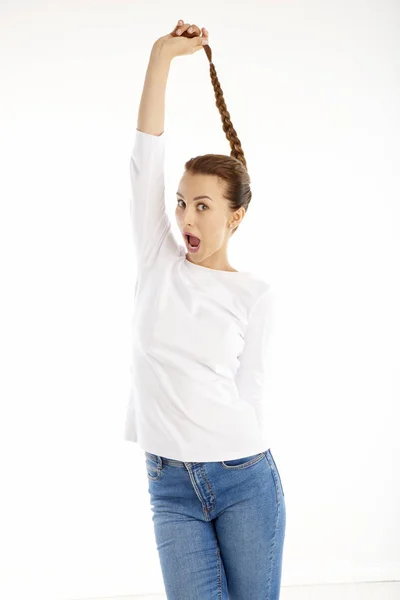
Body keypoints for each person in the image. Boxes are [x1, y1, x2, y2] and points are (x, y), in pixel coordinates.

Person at [124, 19, 286, 599]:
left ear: (235, 215)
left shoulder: (254, 295)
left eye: (203, 207)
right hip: (169, 484)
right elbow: (146, 160)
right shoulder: (157, 261)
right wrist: (161, 57)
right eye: (181, 204)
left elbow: (255, 389)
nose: (187, 220)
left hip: (245, 477)